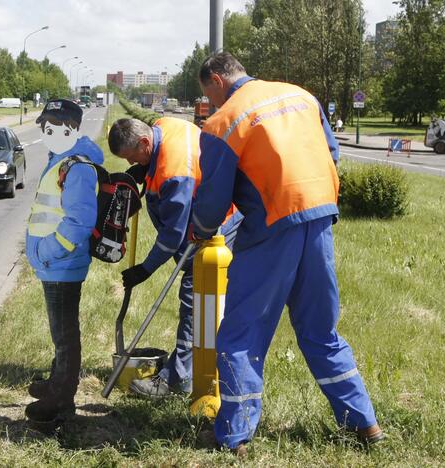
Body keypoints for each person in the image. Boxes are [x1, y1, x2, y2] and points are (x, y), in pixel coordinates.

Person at [190, 52, 383, 454]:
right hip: (319, 219)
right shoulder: (301, 97)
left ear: (217, 81)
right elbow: (332, 155)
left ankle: (235, 435)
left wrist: (202, 231)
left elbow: (212, 200)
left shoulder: (223, 123)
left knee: (240, 334)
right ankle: (364, 423)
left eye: (208, 94)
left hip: (273, 227)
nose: (209, 103)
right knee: (320, 331)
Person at [107, 117, 241, 399]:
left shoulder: (174, 172)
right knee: (203, 303)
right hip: (206, 211)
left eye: (134, 157)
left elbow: (173, 235)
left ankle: (176, 380)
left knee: (194, 300)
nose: (133, 163)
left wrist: (145, 269)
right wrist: (146, 168)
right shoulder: (163, 125)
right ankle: (198, 365)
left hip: (214, 226)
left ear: (145, 142)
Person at [24, 99, 104, 424]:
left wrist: (47, 250)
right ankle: (56, 382)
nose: (48, 132)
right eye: (45, 126)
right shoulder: (61, 158)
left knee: (65, 334)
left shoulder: (78, 167)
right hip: (54, 264)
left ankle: (61, 400)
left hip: (62, 264)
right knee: (60, 331)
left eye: (55, 126)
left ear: (71, 128)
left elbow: (80, 221)